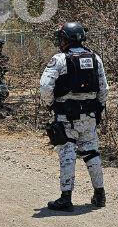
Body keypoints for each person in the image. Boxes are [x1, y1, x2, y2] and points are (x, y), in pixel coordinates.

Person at [38, 22, 108, 211]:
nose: (60, 42)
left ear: (67, 39)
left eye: (61, 38)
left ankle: (66, 198)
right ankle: (99, 195)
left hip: (66, 115)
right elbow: (104, 89)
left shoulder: (59, 59)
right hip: (90, 114)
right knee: (92, 153)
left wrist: (50, 105)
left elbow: (45, 87)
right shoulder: (95, 58)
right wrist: (99, 108)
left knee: (67, 154)